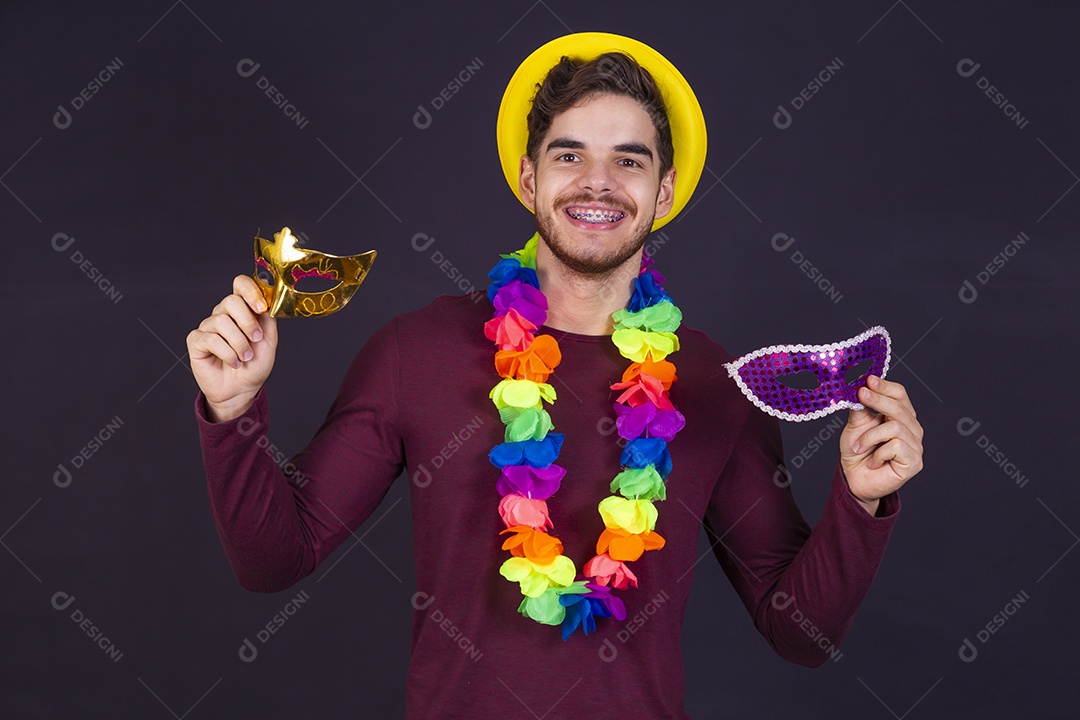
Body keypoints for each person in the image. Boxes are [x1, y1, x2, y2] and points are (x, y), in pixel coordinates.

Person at [186, 32, 923, 719]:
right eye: (569, 156)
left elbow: (799, 634)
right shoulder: (416, 352)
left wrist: (860, 504)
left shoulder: (717, 386)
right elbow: (275, 561)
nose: (597, 185)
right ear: (530, 176)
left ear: (662, 191)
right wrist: (233, 413)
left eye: (629, 160)